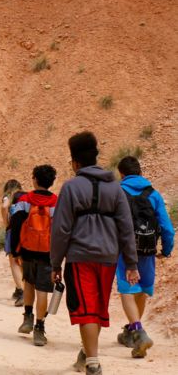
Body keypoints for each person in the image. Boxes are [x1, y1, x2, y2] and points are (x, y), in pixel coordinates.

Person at [51, 132, 139, 375]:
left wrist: (55, 263)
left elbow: (61, 230)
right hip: (109, 258)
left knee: (87, 308)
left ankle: (92, 363)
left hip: (81, 257)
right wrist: (131, 263)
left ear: (75, 163)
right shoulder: (116, 188)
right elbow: (126, 228)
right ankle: (88, 353)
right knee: (97, 307)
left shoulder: (70, 188)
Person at [114, 156, 174, 358]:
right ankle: (132, 331)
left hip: (124, 250)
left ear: (121, 174)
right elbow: (167, 228)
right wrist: (166, 250)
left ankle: (138, 331)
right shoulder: (153, 194)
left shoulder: (118, 192)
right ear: (140, 172)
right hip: (148, 249)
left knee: (126, 289)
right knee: (141, 289)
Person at [8, 165, 58, 347]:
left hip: (28, 250)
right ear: (52, 182)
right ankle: (39, 328)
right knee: (42, 290)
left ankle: (27, 317)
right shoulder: (56, 202)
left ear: (34, 179)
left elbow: (15, 224)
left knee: (28, 282)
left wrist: (15, 250)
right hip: (48, 253)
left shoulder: (24, 200)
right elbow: (61, 230)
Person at [2, 179, 27, 306]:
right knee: (23, 260)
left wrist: (6, 224)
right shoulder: (26, 195)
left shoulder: (9, 196)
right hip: (28, 231)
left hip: (14, 231)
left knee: (14, 261)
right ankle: (22, 289)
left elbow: (4, 206)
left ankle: (22, 292)